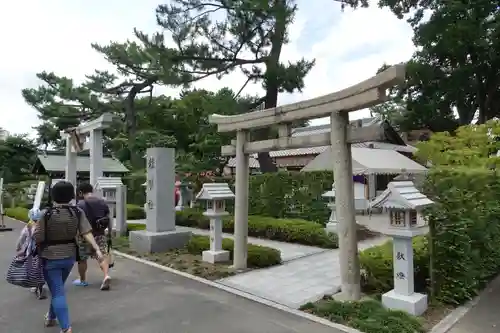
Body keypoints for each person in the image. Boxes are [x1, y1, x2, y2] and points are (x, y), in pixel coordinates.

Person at [33, 181, 103, 333]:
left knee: (57, 291)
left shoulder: (47, 213)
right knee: (57, 287)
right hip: (69, 256)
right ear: (72, 195)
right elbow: (86, 232)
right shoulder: (77, 212)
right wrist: (97, 249)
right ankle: (51, 317)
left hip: (49, 257)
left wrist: (34, 226)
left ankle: (66, 328)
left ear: (54, 195)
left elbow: (37, 237)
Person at [73, 182, 112, 290]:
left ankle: (83, 280)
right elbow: (108, 218)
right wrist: (109, 232)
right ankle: (106, 275)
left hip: (84, 236)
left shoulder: (80, 205)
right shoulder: (102, 202)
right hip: (100, 234)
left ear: (80, 192)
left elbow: (77, 222)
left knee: (82, 259)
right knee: (102, 255)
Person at [16, 208, 47, 299]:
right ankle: (41, 285)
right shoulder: (43, 226)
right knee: (42, 268)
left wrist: (18, 247)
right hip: (43, 251)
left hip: (31, 252)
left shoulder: (28, 227)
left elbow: (21, 238)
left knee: (32, 269)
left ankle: (34, 285)